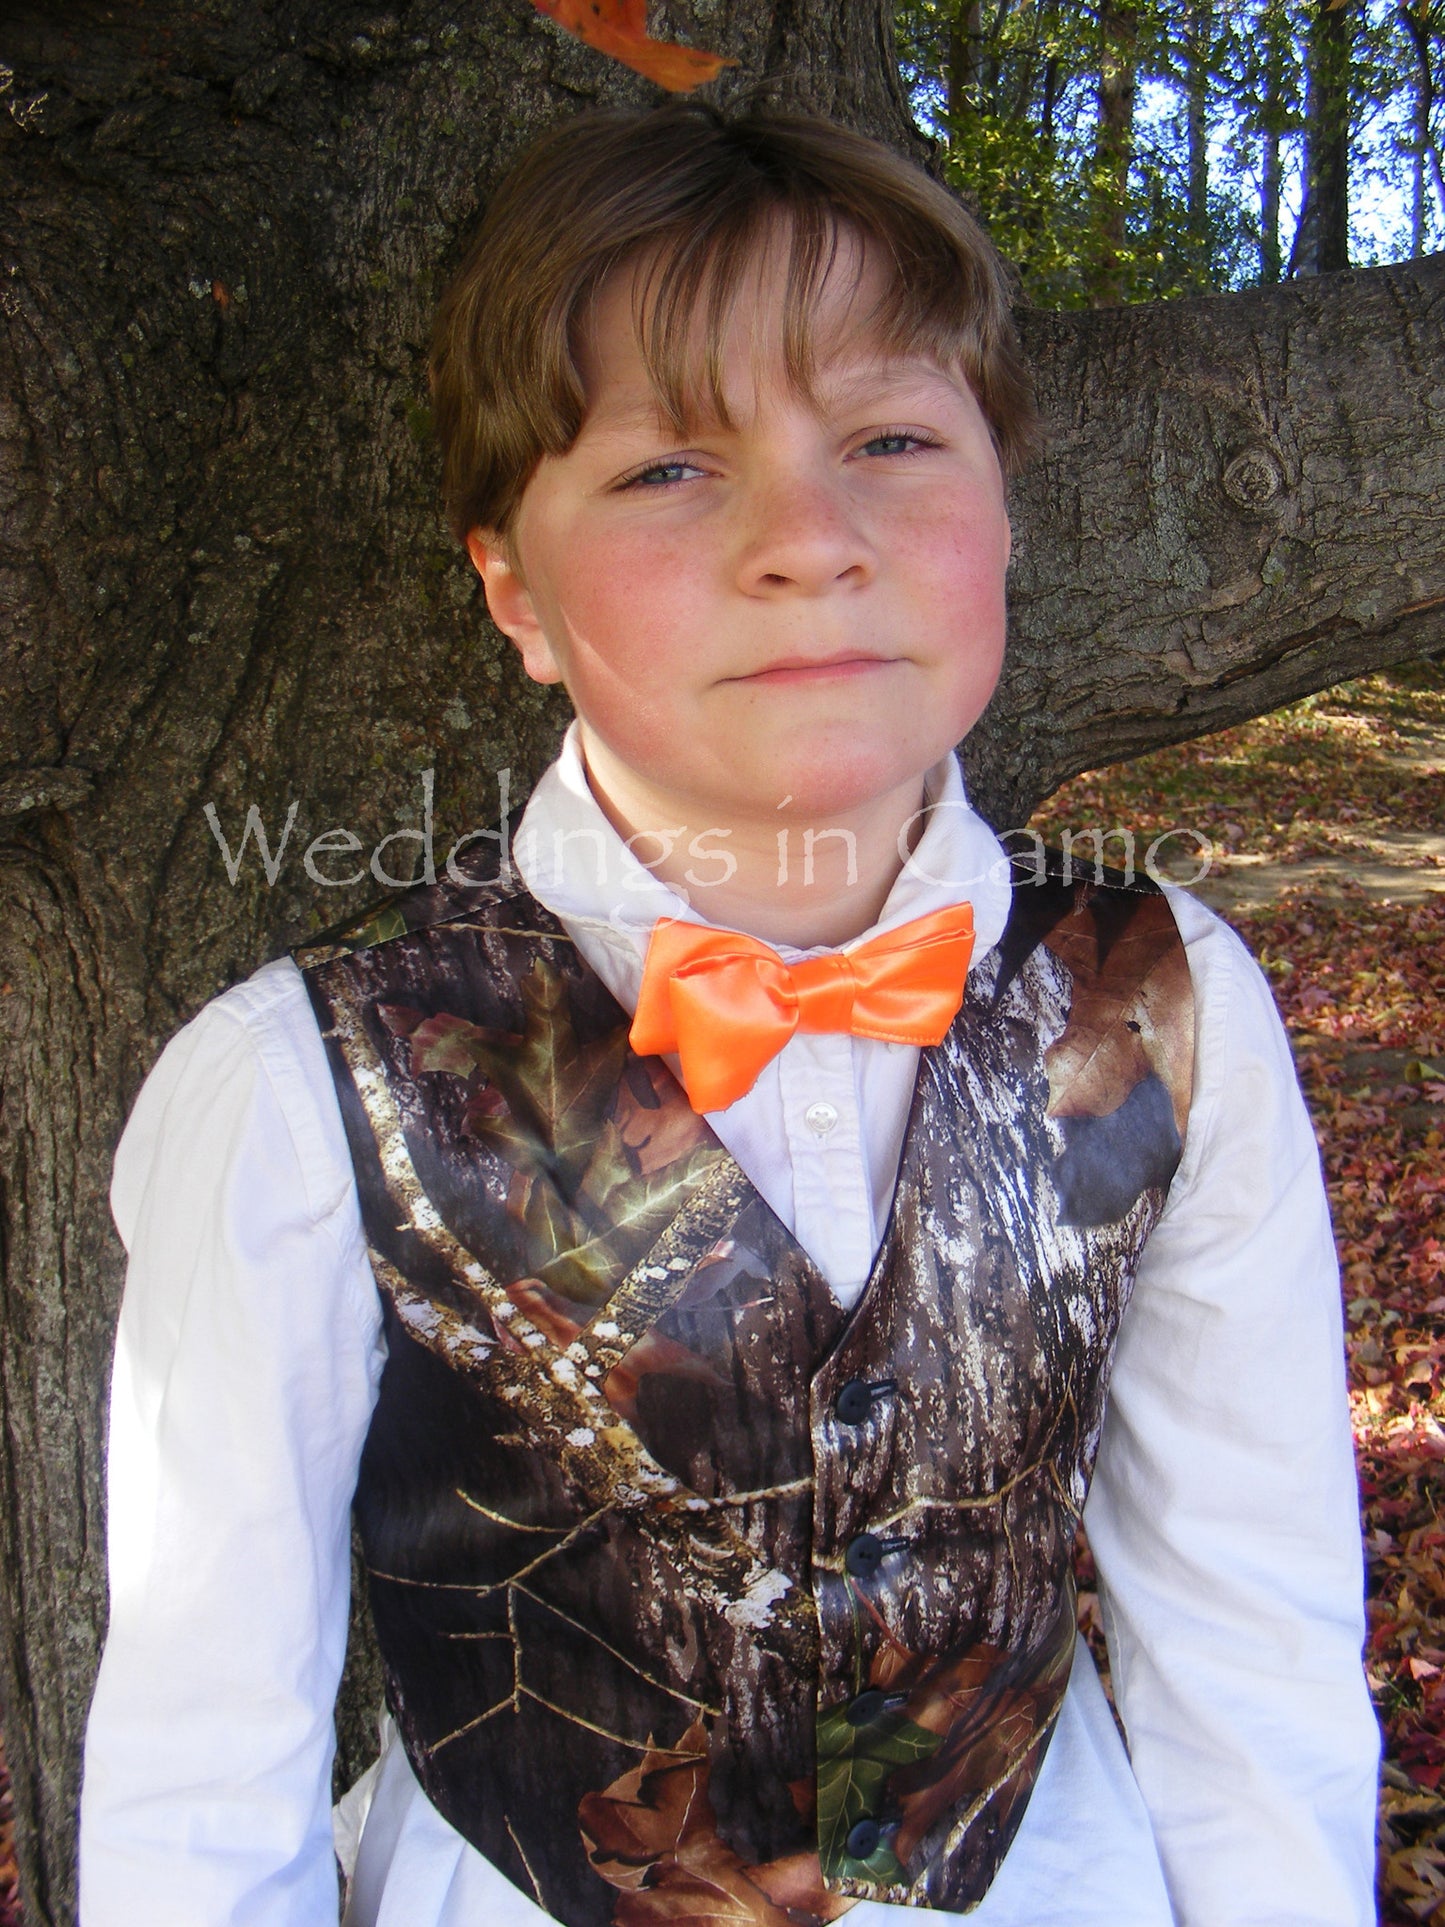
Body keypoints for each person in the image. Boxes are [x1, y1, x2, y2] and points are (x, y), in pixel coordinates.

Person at [78, 100, 1379, 1927]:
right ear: (515, 593)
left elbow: (1254, 1630)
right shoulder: (304, 1089)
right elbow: (200, 1775)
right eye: (670, 470)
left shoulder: (1168, 1007)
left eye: (892, 438)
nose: (808, 537)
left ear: (1006, 513)